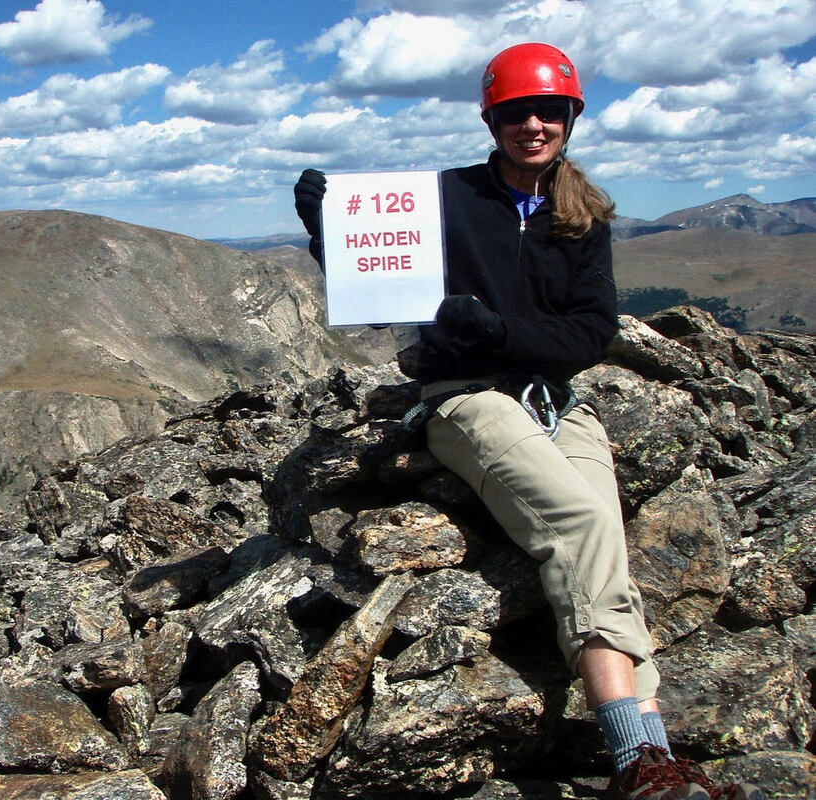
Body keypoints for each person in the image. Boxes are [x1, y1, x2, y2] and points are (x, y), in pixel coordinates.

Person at [293, 42, 764, 800]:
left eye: (548, 111)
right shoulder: (446, 195)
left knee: (597, 534)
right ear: (493, 119)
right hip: (462, 396)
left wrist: (501, 332)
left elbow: (589, 332)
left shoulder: (584, 218)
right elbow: (377, 283)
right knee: (580, 521)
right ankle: (638, 758)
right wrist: (327, 231)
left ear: (569, 117)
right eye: (517, 112)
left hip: (551, 396)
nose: (533, 125)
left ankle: (652, 767)